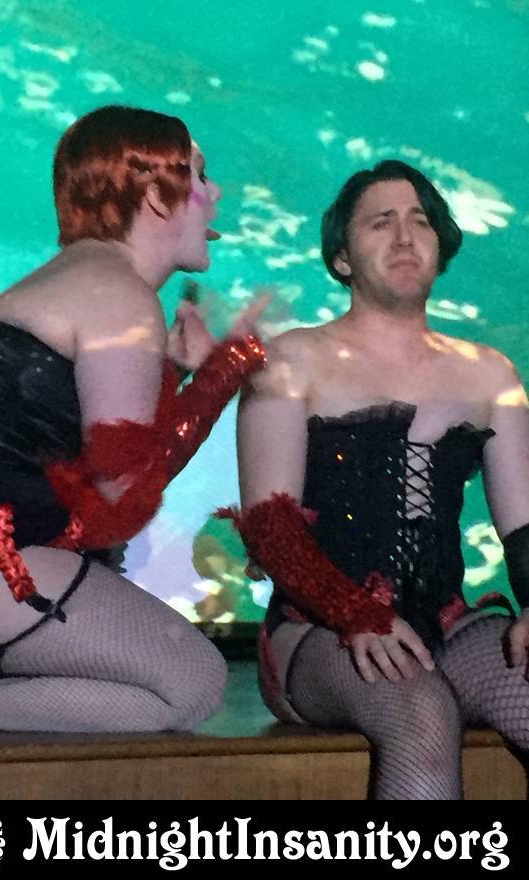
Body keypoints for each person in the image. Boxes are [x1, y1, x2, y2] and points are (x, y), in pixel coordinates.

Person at [0, 104, 267, 733]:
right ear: (155, 195)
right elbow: (120, 504)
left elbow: (89, 459)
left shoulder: (82, 278)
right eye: (199, 175)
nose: (215, 193)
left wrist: (174, 372)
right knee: (192, 684)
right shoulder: (121, 296)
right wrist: (223, 375)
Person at [229, 159, 529, 799]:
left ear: (440, 247)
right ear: (341, 258)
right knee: (422, 713)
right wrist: (355, 612)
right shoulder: (291, 360)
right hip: (317, 629)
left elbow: (523, 524)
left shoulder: (490, 374)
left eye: (420, 221)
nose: (404, 237)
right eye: (380, 223)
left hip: (448, 625)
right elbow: (269, 530)